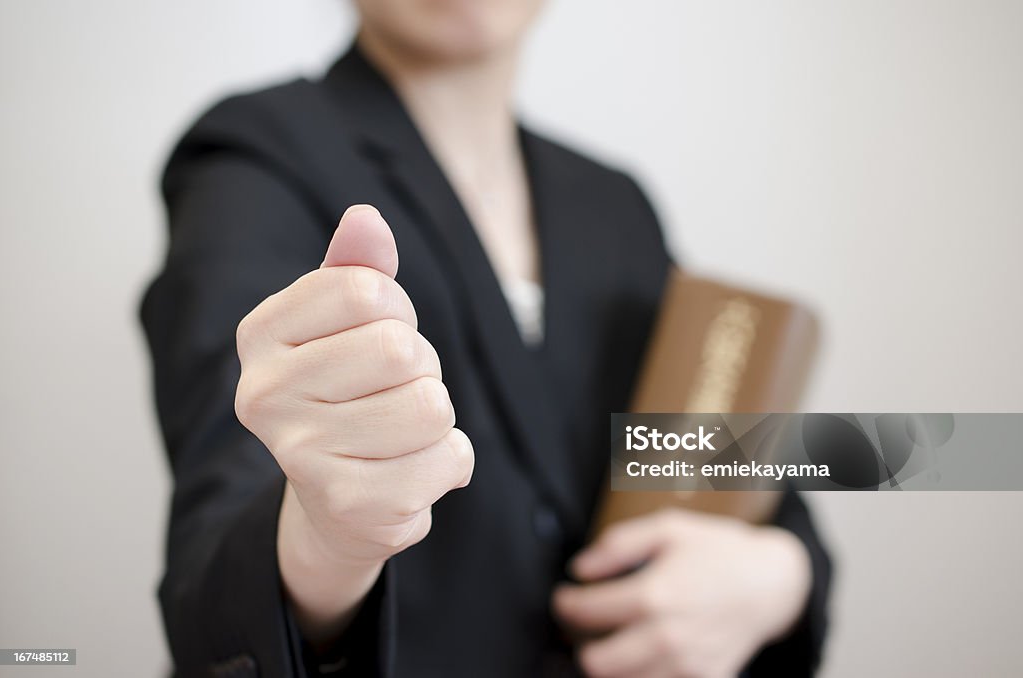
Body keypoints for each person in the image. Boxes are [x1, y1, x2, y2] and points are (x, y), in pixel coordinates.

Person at [141, 1, 831, 676]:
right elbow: (216, 560)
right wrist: (328, 537)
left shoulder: (616, 208)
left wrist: (779, 577)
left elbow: (737, 465)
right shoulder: (257, 157)